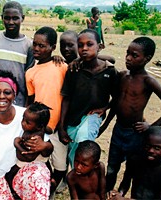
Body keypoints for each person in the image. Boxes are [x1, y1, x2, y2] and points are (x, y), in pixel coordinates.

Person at [0, 70, 53, 199]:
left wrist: (43, 145)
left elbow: (47, 146)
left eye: (7, 92)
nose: (1, 96)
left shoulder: (28, 116)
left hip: (24, 171)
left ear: (14, 94)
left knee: (38, 175)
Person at [99, 36, 161, 192]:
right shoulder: (123, 75)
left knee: (130, 171)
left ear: (147, 58)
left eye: (134, 55)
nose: (128, 58)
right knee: (112, 168)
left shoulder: (148, 81)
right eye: (127, 53)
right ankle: (107, 194)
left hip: (135, 134)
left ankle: (122, 194)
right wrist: (105, 120)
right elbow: (117, 101)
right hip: (118, 130)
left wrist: (151, 126)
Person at [58, 29, 118, 168]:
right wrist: (61, 127)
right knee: (73, 150)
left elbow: (117, 98)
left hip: (92, 117)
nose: (84, 49)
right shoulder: (74, 70)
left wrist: (105, 112)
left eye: (89, 44)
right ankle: (74, 176)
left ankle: (81, 179)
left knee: (84, 144)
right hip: (72, 119)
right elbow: (66, 98)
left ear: (100, 46)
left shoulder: (109, 71)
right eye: (80, 45)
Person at [25, 26, 68, 195]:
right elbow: (30, 100)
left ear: (52, 47)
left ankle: (54, 184)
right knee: (40, 160)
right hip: (39, 127)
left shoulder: (61, 66)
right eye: (34, 44)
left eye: (42, 46)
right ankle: (44, 189)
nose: (36, 48)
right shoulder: (31, 72)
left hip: (58, 127)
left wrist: (61, 125)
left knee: (60, 165)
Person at [0, 1, 35, 106]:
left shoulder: (29, 46)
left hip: (18, 100)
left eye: (15, 18)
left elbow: (30, 75)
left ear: (22, 18)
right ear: (2, 18)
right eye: (7, 18)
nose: (11, 22)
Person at [5, 101, 53, 199]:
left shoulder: (34, 138)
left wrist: (16, 144)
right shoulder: (39, 128)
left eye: (27, 122)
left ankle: (15, 194)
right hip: (36, 159)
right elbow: (49, 129)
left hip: (29, 161)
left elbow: (29, 156)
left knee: (9, 176)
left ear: (39, 126)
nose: (23, 123)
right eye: (23, 118)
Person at [116, 126, 161, 199]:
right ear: (142, 144)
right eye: (147, 146)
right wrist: (119, 195)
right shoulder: (134, 160)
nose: (151, 150)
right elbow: (125, 183)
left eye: (157, 148)